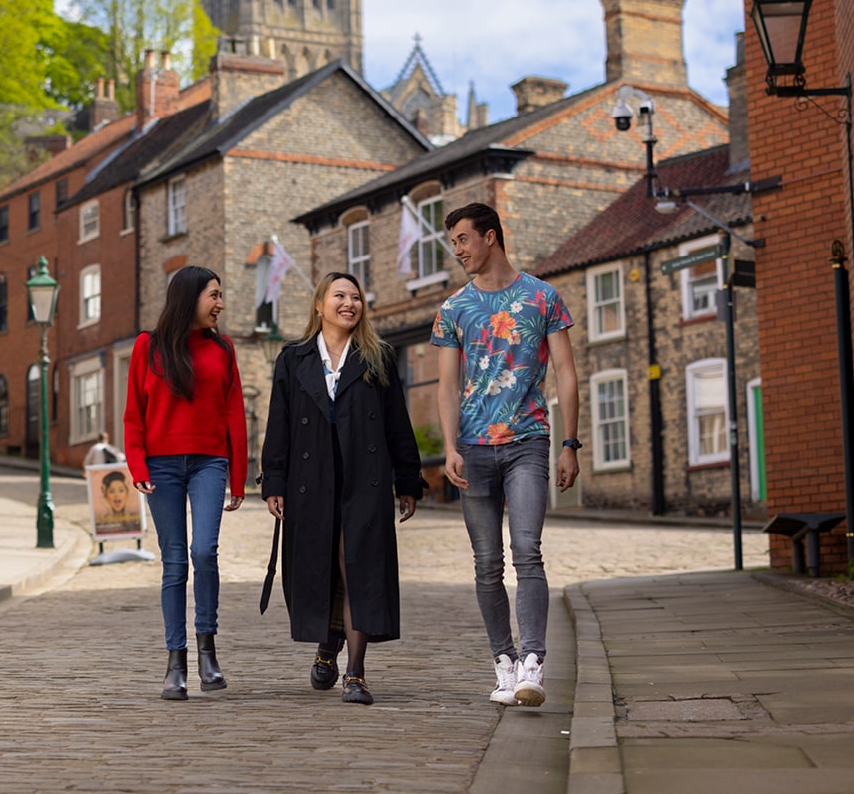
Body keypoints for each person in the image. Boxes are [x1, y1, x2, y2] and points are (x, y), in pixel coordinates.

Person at [432, 202, 579, 708]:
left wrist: (569, 443)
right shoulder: (454, 309)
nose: (457, 251)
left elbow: (565, 372)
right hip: (473, 450)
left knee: (527, 550)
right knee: (486, 563)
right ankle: (504, 663)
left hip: (528, 442)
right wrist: (449, 446)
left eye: (463, 240)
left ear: (490, 237)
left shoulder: (543, 297)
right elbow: (447, 386)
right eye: (453, 243)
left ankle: (533, 663)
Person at [261, 271, 423, 705]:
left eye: (356, 297)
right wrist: (273, 480)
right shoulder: (293, 359)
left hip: (363, 479)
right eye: (340, 296)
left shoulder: (378, 357)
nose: (349, 303)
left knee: (360, 570)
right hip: (309, 482)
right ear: (320, 305)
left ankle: (355, 673)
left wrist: (407, 480)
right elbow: (279, 425)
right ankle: (327, 645)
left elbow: (396, 424)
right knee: (321, 568)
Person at [124, 266, 247, 701]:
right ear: (190, 297)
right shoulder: (148, 346)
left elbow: (235, 412)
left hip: (209, 462)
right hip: (161, 467)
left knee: (204, 551)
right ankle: (175, 662)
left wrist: (238, 475)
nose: (221, 304)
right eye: (214, 295)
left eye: (220, 295)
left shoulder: (223, 348)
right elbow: (134, 412)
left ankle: (207, 652)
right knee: (175, 563)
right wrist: (138, 465)